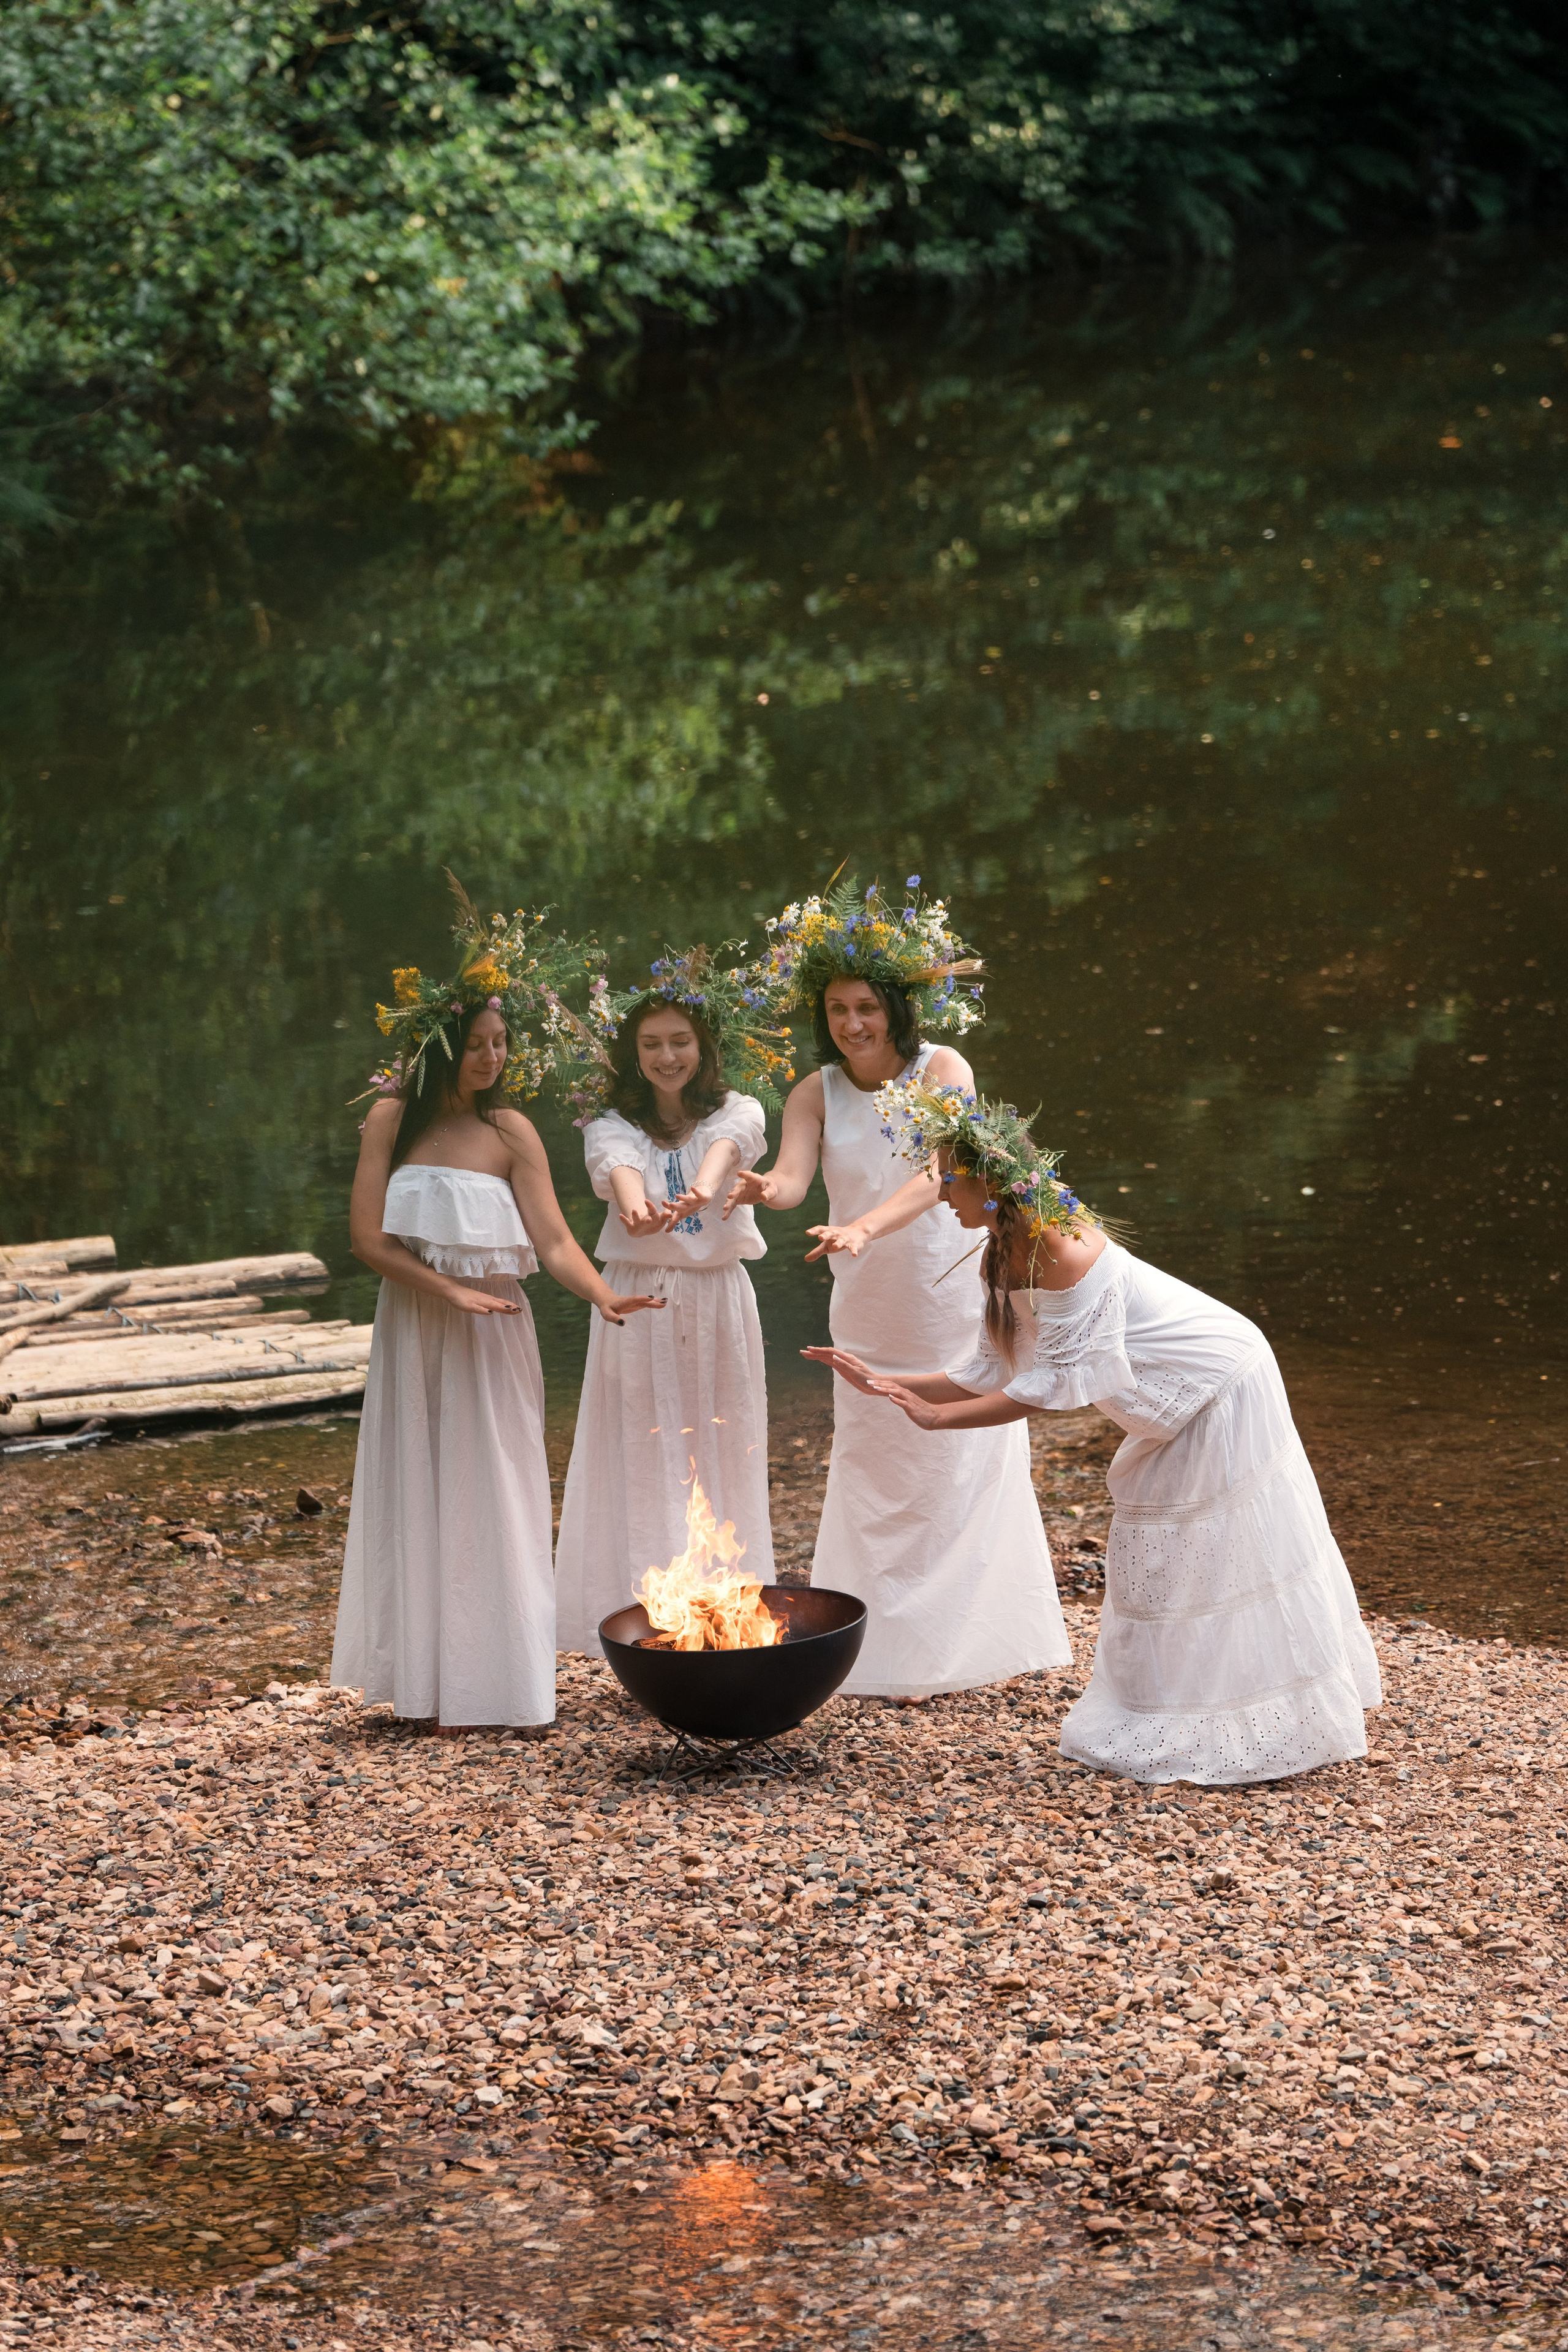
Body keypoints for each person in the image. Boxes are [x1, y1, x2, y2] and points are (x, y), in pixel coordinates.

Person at [821, 1078, 1382, 1784]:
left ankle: (1248, 1718)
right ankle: (1169, 1708)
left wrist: (938, 1419)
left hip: (1217, 1385)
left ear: (992, 1183)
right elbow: (989, 1368)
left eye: (948, 1183)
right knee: (1163, 1554)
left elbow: (1052, 1389)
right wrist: (884, 1380)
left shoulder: (1056, 1244)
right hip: (1176, 1399)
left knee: (1200, 1547)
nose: (940, 1196)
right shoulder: (1001, 1246)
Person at [729, 877, 1071, 1700]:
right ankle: (880, 1643)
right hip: (868, 1296)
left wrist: (866, 1228)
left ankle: (968, 1639)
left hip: (944, 1281)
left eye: (866, 1009)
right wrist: (760, 1192)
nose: (853, 1024)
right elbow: (792, 1178)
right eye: (839, 1010)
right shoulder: (813, 1091)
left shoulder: (942, 1067)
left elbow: (939, 1172)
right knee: (878, 1449)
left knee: (960, 1444)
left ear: (894, 1009)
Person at [331, 894, 662, 1733]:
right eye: (476, 1044)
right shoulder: (390, 1119)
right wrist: (444, 1290)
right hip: (418, 1322)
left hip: (495, 1328)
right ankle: (424, 1681)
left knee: (497, 1486)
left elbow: (552, 1241)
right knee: (420, 1479)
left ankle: (500, 1682)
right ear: (441, 1046)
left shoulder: (511, 1131)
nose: (490, 1056)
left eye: (501, 1043)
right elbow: (368, 1239)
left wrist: (603, 1292)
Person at [554, 948, 785, 1654]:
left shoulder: (738, 1109)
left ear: (703, 1046)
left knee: (723, 1437)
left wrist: (701, 1192)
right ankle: (644, 1617)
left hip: (717, 1298)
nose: (667, 1056)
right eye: (651, 1044)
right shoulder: (608, 1122)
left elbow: (726, 1149)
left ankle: (726, 1607)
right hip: (638, 1299)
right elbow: (618, 1169)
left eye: (679, 1041)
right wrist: (635, 1214)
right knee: (640, 1443)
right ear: (632, 1053)